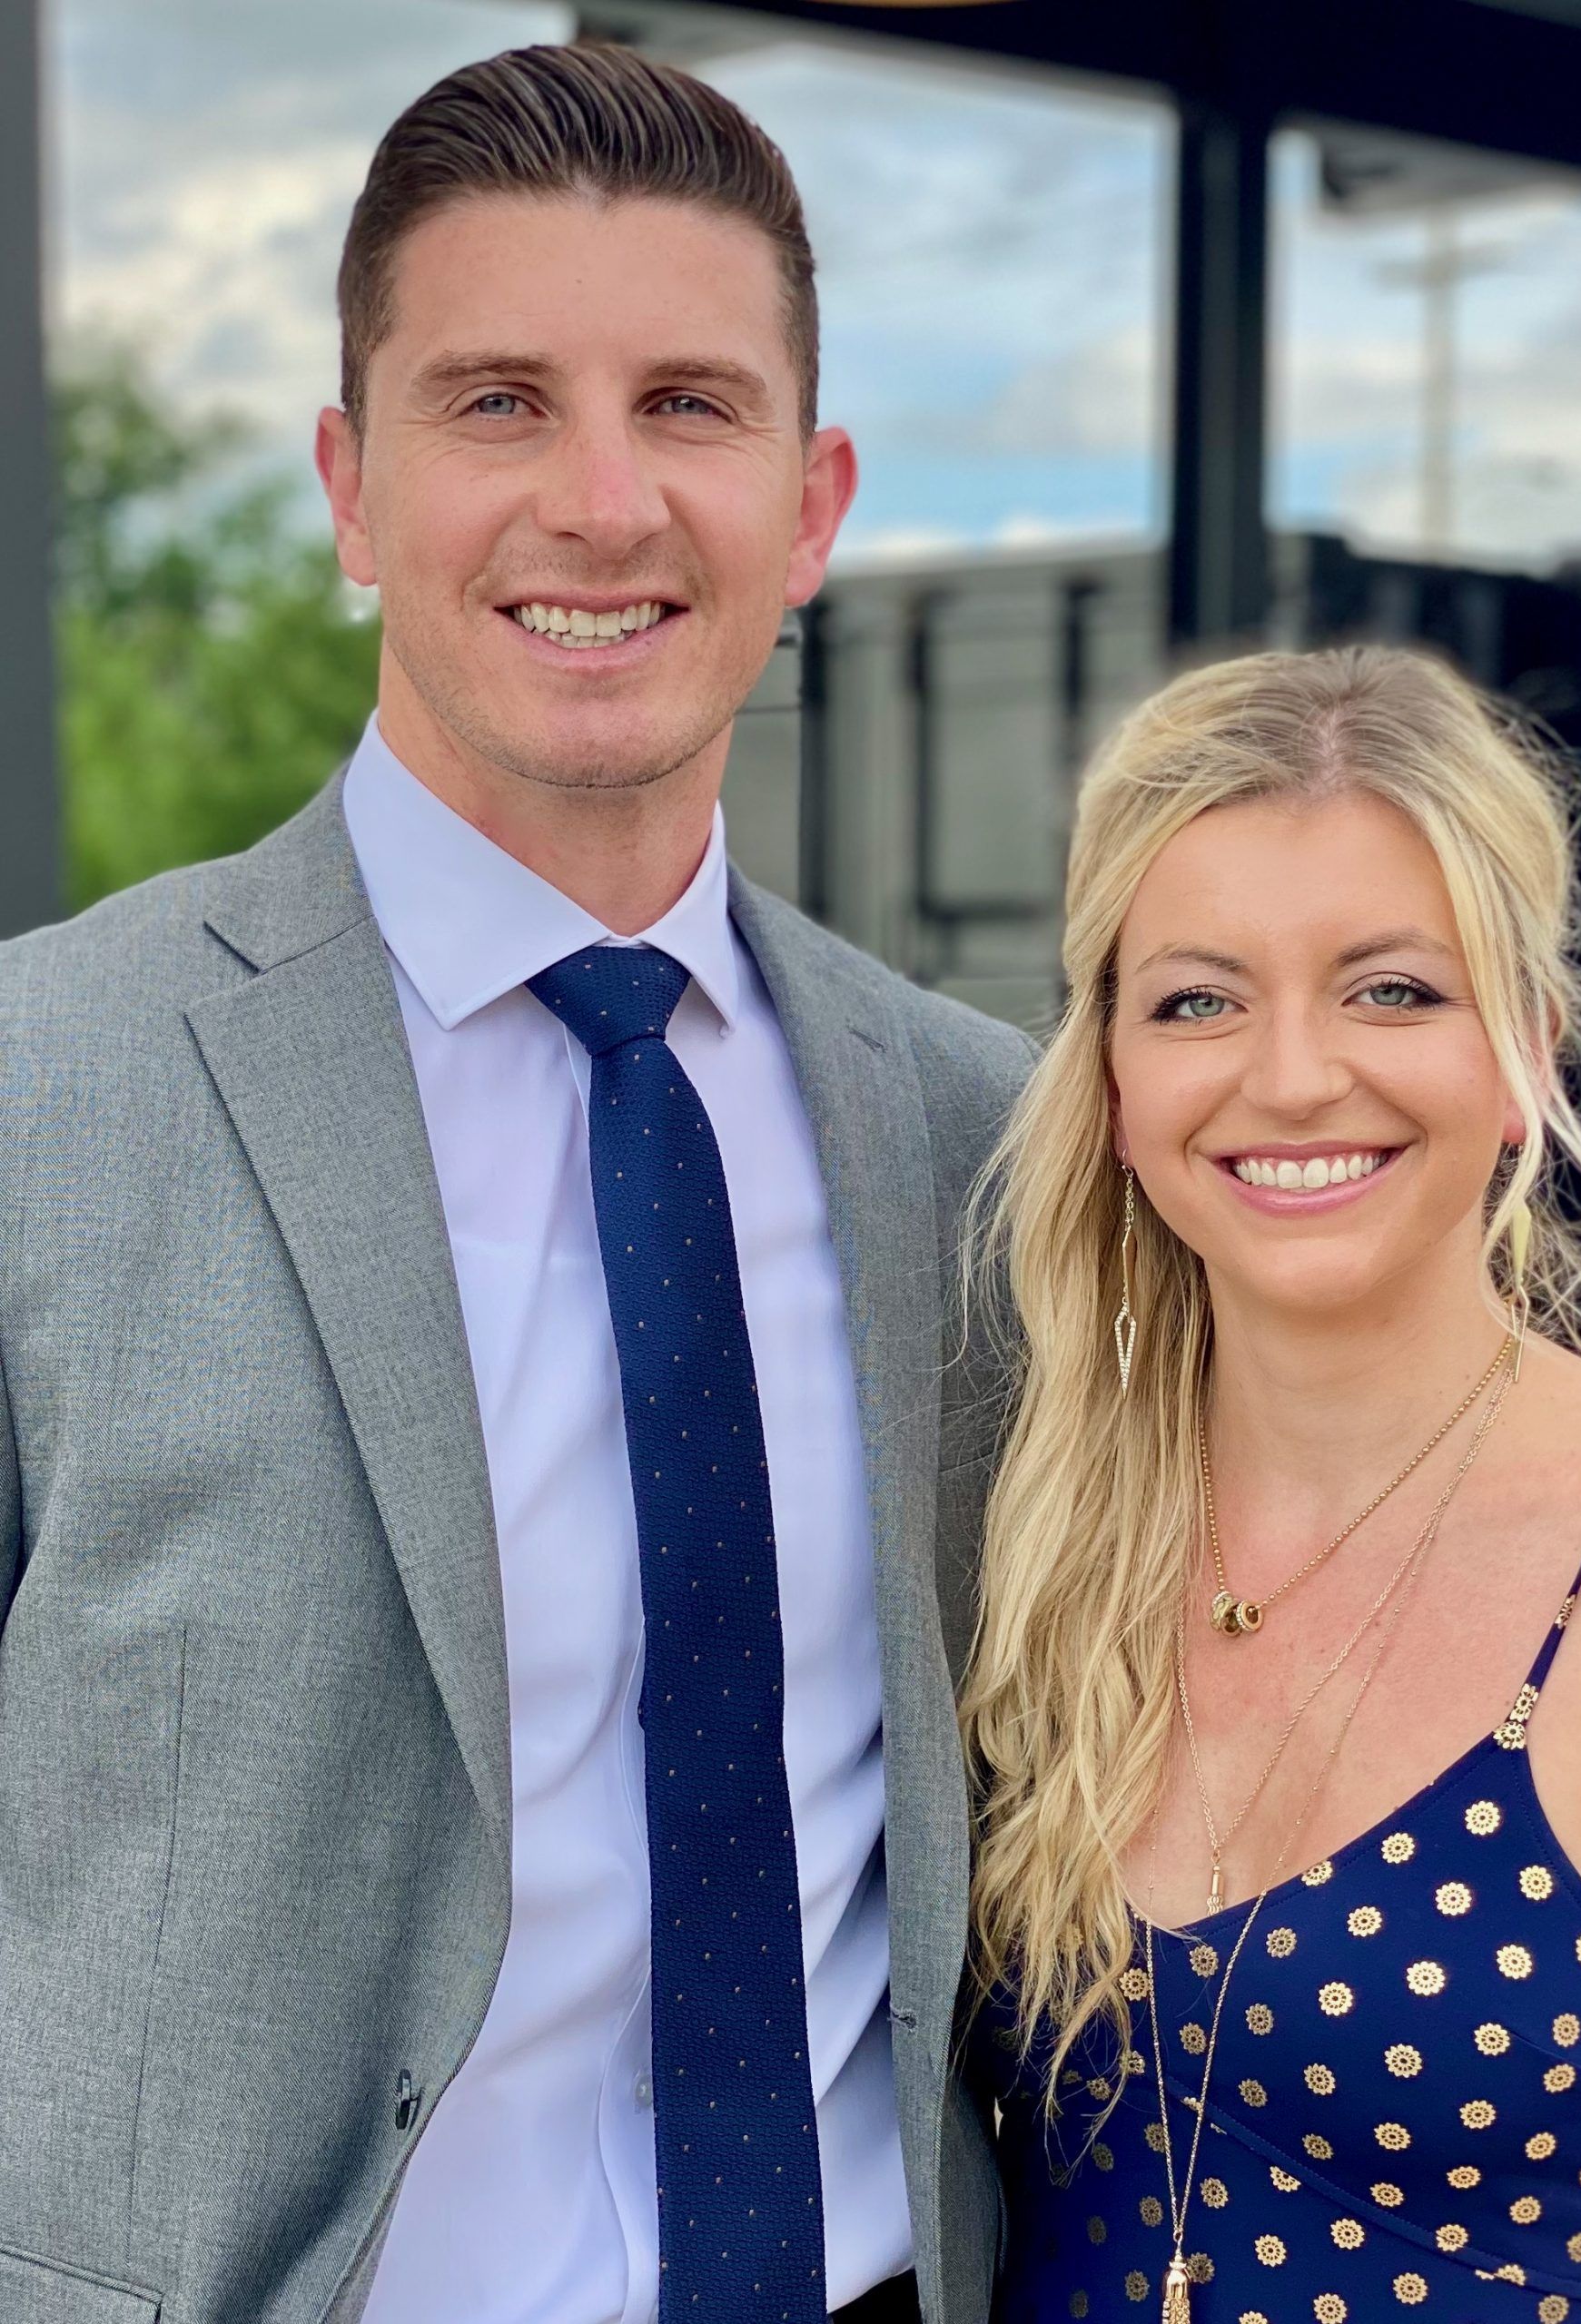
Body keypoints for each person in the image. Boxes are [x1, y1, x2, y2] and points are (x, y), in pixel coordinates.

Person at [0, 42, 1032, 2324]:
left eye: (688, 403)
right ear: (353, 490)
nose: (601, 501)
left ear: (815, 499)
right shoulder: (36, 1089)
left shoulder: (981, 1137)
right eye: (494, 404)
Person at [960, 645, 1581, 2321]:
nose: (1294, 1075)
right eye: (1197, 998)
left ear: (1525, 1046)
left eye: (1391, 988)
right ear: (1110, 1078)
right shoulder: (1027, 1523)